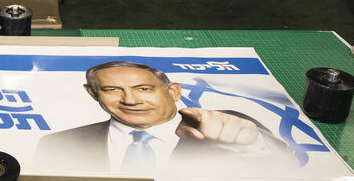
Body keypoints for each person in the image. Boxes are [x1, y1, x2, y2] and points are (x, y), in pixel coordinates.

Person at [35, 61, 296, 174]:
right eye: (112, 89)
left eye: (144, 89)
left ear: (173, 91)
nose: (130, 100)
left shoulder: (225, 124)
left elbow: (284, 165)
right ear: (92, 94)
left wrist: (254, 144)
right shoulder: (58, 142)